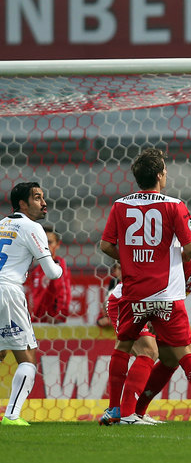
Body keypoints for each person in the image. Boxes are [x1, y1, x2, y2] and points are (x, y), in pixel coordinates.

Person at [99, 148, 191, 426]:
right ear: (160, 175)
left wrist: (129, 259)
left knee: (123, 347)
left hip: (133, 294)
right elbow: (189, 248)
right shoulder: (174, 205)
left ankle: (115, 409)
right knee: (184, 352)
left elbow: (106, 246)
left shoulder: (119, 205)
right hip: (166, 296)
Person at [134, 204, 191, 419]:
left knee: (170, 360)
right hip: (142, 303)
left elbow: (184, 288)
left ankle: (137, 411)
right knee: (158, 352)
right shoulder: (179, 252)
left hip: (166, 308)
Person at [0, 182, 63, 426]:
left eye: (43, 196)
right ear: (23, 204)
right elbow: (52, 273)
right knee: (27, 359)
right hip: (8, 291)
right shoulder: (31, 227)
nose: (44, 202)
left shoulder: (2, 225)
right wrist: (58, 264)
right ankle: (12, 416)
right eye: (37, 198)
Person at [26, 225, 72, 324]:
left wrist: (60, 315)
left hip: (51, 323)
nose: (46, 246)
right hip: (35, 322)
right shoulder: (36, 270)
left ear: (58, 244)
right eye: (43, 242)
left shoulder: (58, 265)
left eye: (50, 242)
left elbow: (63, 291)